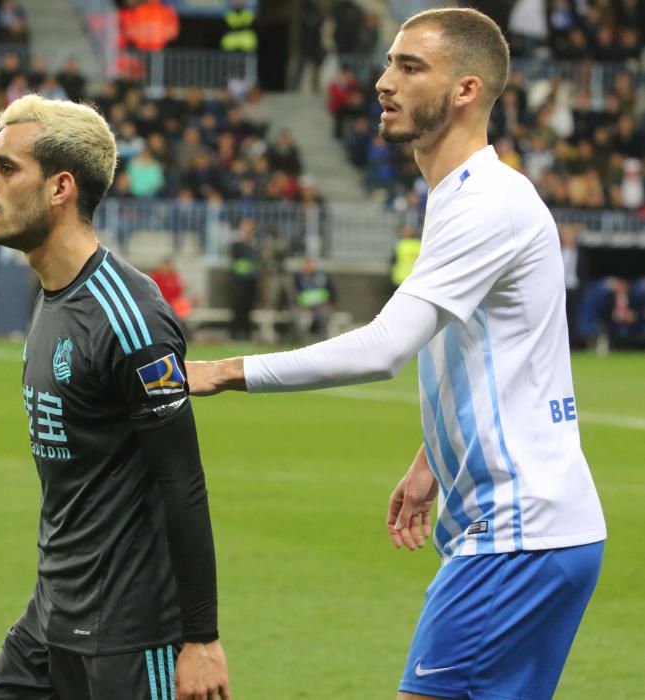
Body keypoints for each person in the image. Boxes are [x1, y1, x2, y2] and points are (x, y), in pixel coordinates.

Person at [186, 8, 606, 700]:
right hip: (539, 529)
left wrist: (223, 370)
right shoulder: (461, 195)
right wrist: (429, 460)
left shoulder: (483, 203)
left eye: (410, 67)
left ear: (466, 90)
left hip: (514, 535)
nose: (384, 82)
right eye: (387, 63)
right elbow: (498, 349)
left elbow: (384, 348)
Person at [0, 94, 230, 700]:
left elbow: (182, 481)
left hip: (131, 632)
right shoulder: (52, 295)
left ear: (61, 187)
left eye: (7, 168)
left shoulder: (130, 316)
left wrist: (200, 639)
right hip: (52, 614)